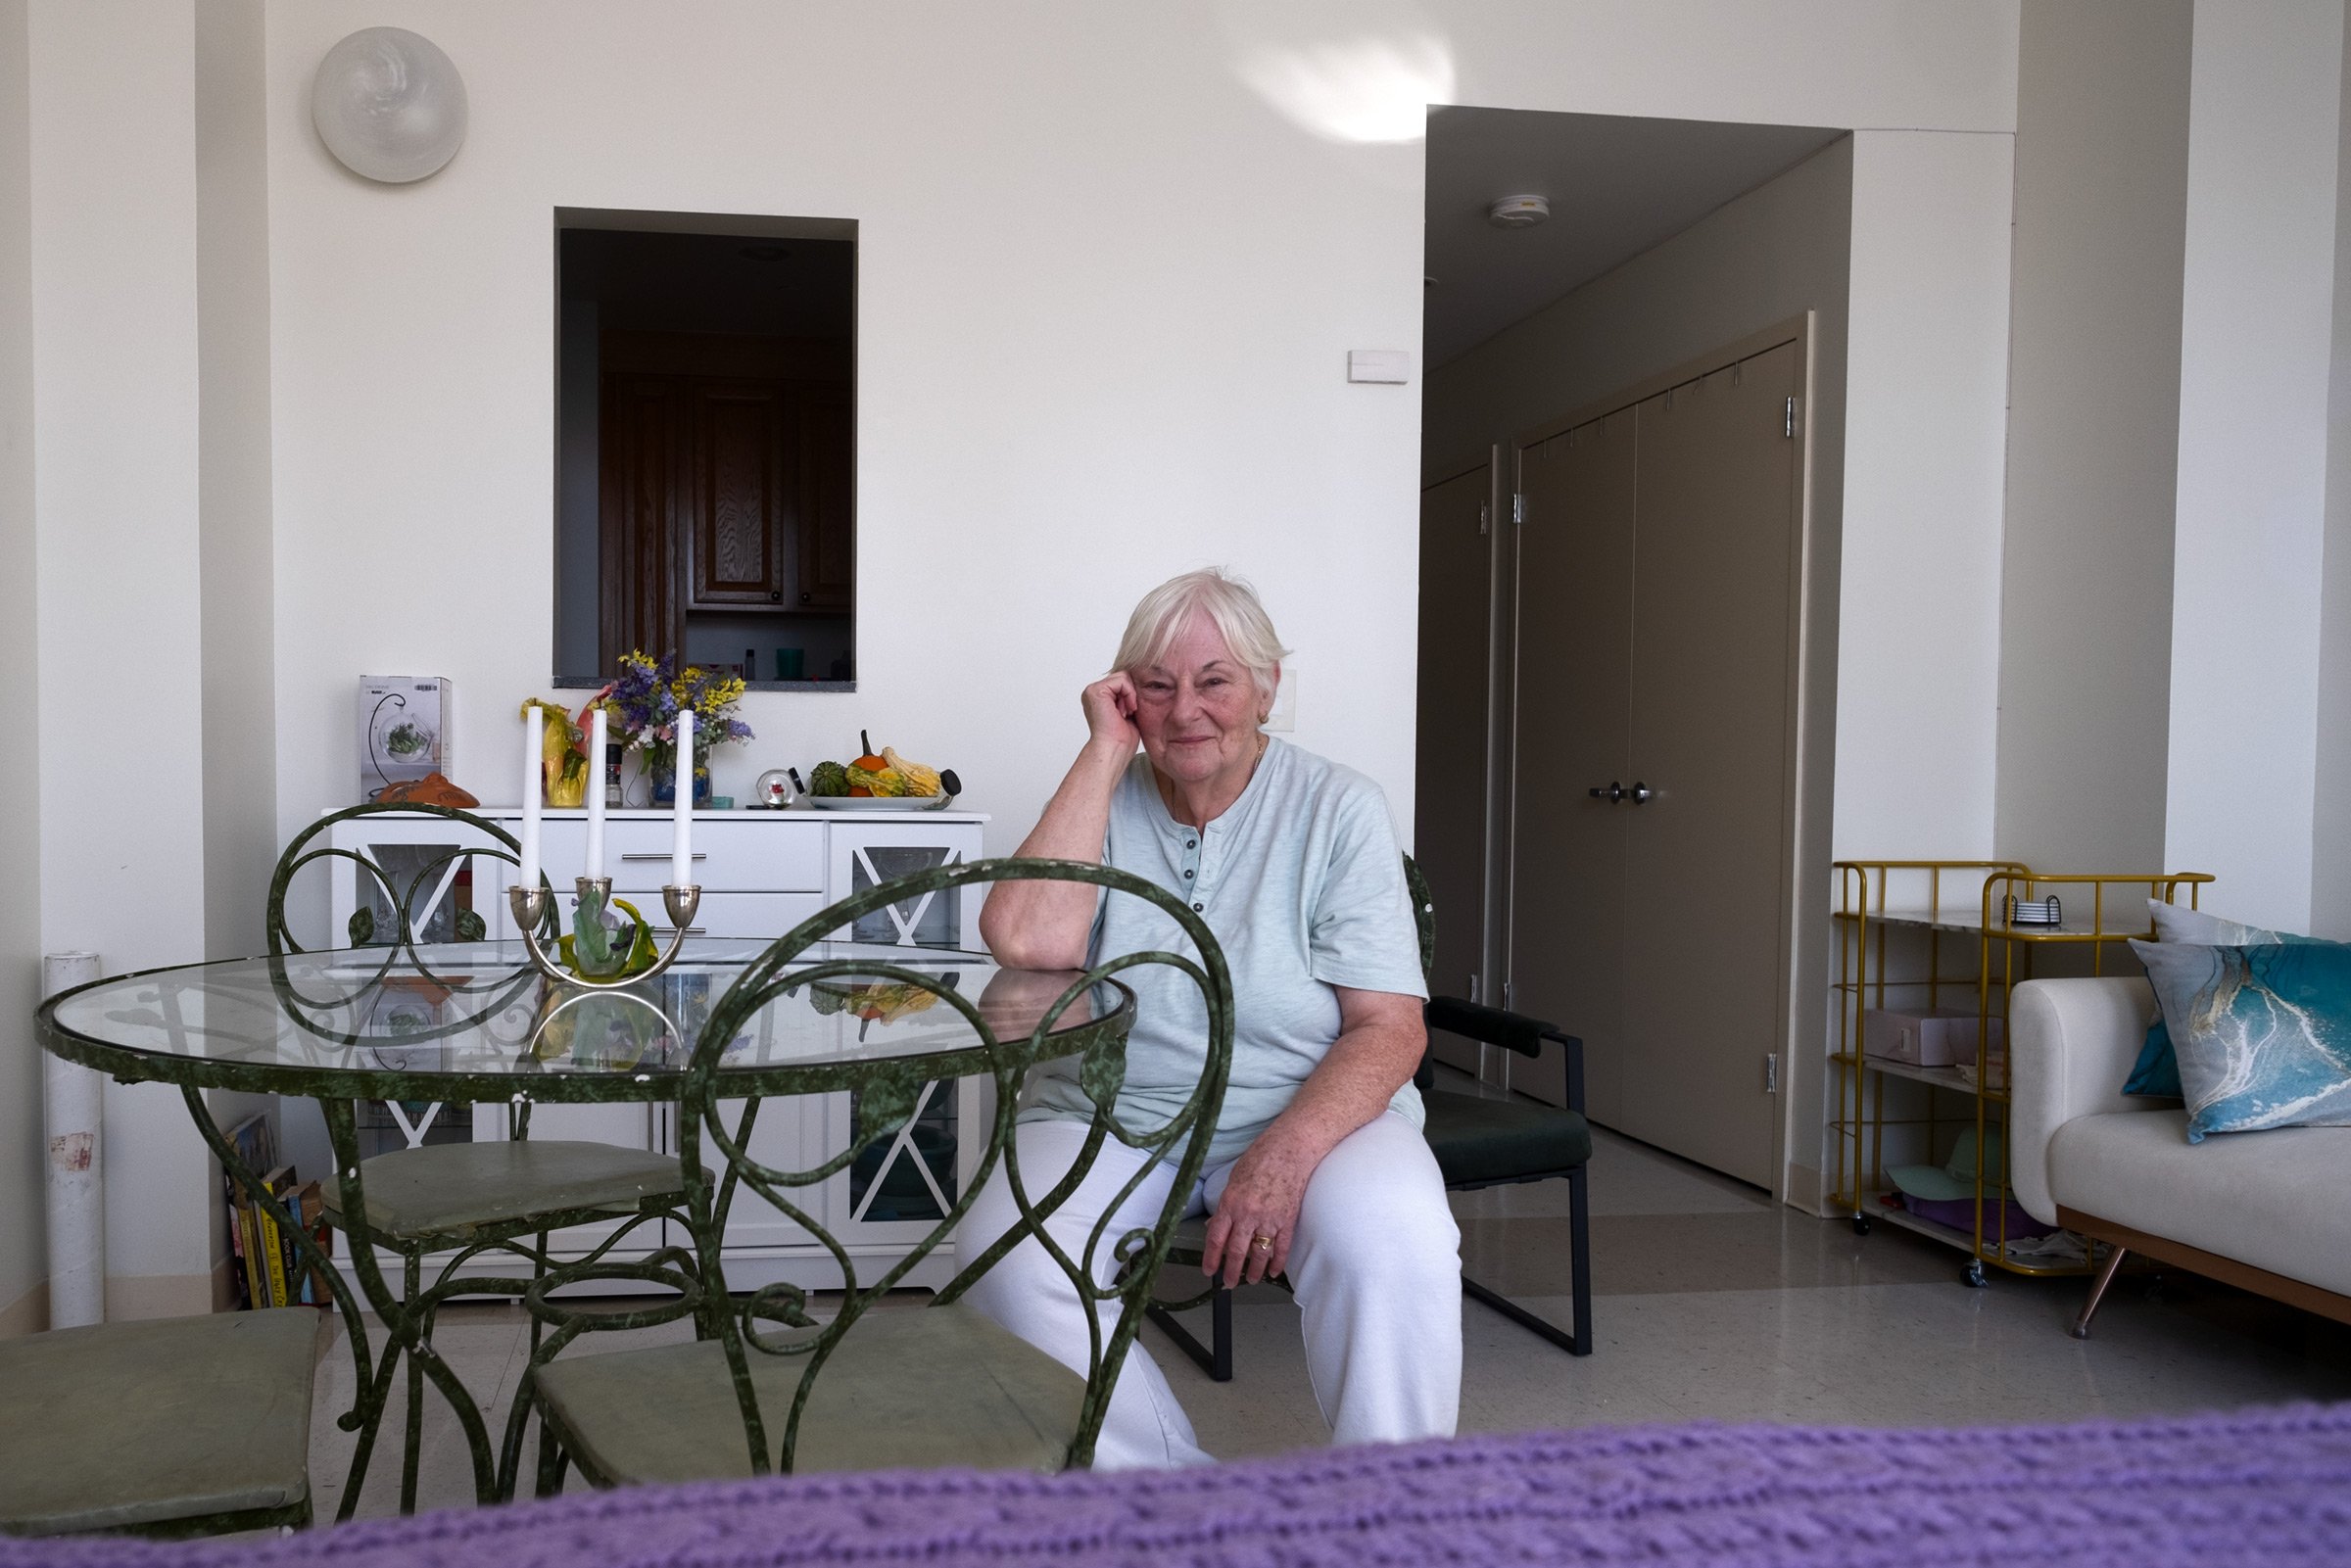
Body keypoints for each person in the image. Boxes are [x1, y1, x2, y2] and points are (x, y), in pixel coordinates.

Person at [961, 567, 1462, 1468]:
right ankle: (1175, 1501)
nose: (1185, 708)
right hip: (1108, 1110)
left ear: (1267, 688)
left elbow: (1390, 1026)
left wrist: (1284, 1153)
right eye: (1156, 686)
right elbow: (1027, 937)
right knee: (1006, 1252)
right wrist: (1104, 751)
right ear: (1126, 699)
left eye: (1214, 680)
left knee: (1399, 1241)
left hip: (1311, 1109)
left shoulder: (1338, 806)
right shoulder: (1104, 797)